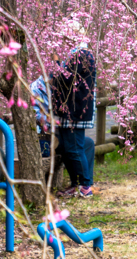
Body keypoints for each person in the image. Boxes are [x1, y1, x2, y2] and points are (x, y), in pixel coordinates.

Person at [49, 27, 99, 198]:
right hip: (67, 110)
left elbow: (62, 78)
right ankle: (76, 183)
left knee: (75, 148)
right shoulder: (74, 55)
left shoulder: (81, 54)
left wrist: (55, 63)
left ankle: (85, 186)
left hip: (75, 110)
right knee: (66, 147)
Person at [30, 74, 95, 193]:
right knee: (69, 143)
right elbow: (37, 116)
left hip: (60, 132)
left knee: (88, 143)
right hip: (44, 137)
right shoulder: (35, 89)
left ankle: (85, 184)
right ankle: (81, 186)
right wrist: (56, 120)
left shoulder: (60, 87)